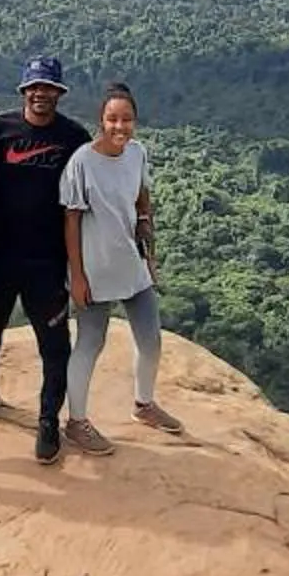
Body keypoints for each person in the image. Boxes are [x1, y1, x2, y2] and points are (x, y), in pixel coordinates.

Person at [0, 55, 91, 465]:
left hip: (47, 260)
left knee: (55, 345)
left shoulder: (73, 138)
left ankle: (49, 419)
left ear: (59, 92)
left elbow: (88, 198)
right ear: (23, 91)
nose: (41, 94)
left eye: (49, 88)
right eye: (34, 87)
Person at [59, 82, 182, 455]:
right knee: (89, 343)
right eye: (112, 119)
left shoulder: (137, 153)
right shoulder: (82, 162)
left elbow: (142, 192)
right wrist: (77, 276)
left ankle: (144, 405)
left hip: (132, 265)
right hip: (96, 270)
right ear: (101, 120)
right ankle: (76, 422)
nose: (119, 127)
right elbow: (71, 220)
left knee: (151, 340)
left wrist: (144, 220)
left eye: (127, 119)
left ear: (136, 122)